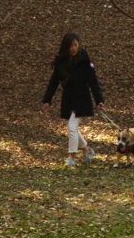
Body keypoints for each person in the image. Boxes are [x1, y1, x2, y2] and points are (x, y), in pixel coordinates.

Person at [42, 33, 105, 166]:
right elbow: (53, 83)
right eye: (71, 46)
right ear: (66, 47)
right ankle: (87, 149)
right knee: (73, 128)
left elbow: (93, 82)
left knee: (71, 126)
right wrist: (47, 100)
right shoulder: (61, 63)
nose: (74, 48)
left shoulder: (85, 61)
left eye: (76, 45)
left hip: (82, 99)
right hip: (68, 99)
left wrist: (99, 100)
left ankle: (72, 157)